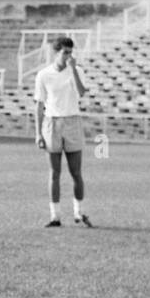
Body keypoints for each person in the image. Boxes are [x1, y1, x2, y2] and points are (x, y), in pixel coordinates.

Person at [34, 36, 90, 227]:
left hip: (72, 121)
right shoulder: (44, 75)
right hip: (52, 123)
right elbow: (39, 105)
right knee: (54, 173)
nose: (68, 56)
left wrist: (73, 69)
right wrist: (38, 133)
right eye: (65, 52)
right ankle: (55, 216)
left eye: (70, 52)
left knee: (76, 172)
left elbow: (82, 92)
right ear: (56, 52)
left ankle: (78, 212)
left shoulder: (77, 71)